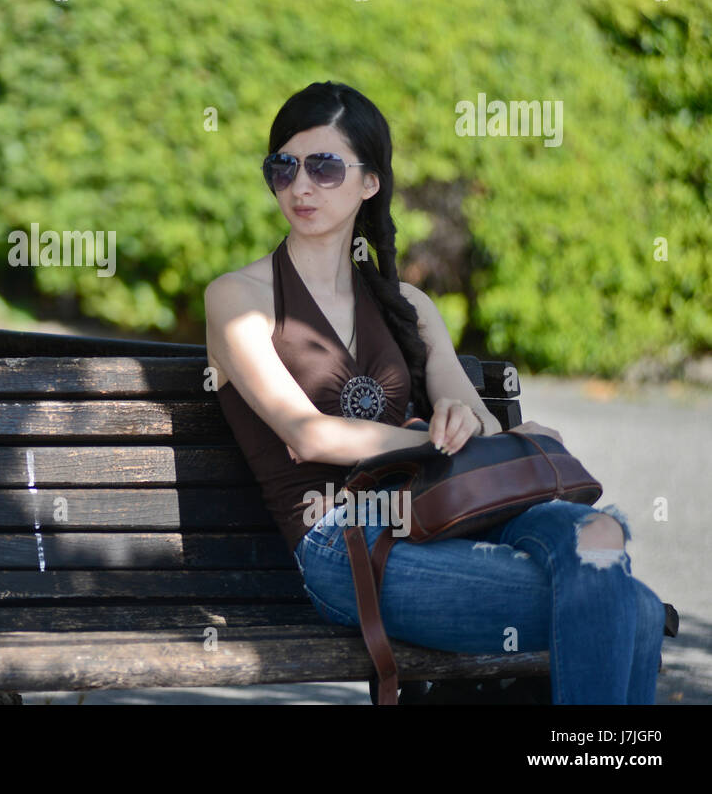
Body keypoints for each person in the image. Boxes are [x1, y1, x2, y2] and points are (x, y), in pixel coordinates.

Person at [203, 80, 667, 705]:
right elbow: (306, 433)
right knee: (630, 609)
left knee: (595, 537)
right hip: (343, 543)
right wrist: (427, 438)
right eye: (283, 167)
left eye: (325, 166)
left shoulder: (410, 308)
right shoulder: (238, 299)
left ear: (370, 182)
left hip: (448, 517)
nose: (301, 186)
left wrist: (460, 416)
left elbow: (486, 434)